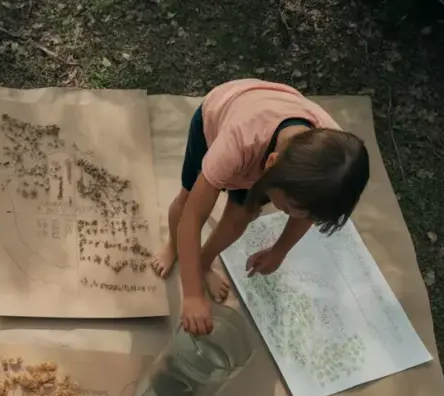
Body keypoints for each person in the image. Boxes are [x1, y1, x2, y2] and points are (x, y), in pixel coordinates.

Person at [150, 79, 370, 335]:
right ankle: (171, 247)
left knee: (242, 214)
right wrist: (192, 295)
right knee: (188, 199)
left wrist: (279, 251)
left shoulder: (329, 169)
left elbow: (306, 212)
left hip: (270, 145)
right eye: (287, 209)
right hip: (220, 115)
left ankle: (203, 262)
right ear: (270, 167)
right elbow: (192, 217)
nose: (291, 216)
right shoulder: (236, 144)